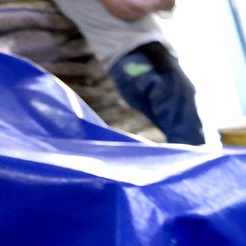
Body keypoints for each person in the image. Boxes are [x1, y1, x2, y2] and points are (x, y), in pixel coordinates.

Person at [56, 0, 204, 145]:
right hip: (143, 55)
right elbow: (127, 8)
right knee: (185, 134)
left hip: (122, 64)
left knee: (176, 130)